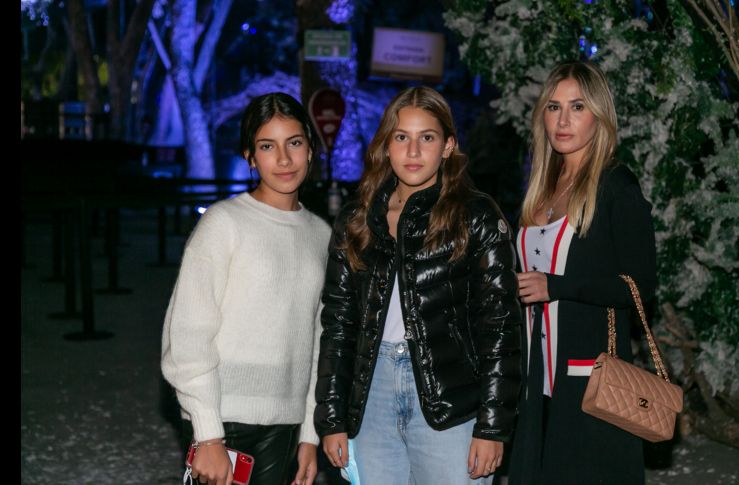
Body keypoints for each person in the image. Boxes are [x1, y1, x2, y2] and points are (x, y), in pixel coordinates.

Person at [314, 86, 522, 484]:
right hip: (371, 394)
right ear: (386, 146)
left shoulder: (475, 216)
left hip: (451, 399)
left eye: (426, 137)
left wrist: (492, 427)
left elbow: (500, 328)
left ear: (447, 147)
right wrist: (333, 416)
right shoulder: (358, 218)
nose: (413, 152)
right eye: (401, 137)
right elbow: (339, 323)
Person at [161, 92, 331, 485]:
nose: (284, 159)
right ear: (251, 158)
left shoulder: (321, 235)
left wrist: (309, 433)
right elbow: (187, 335)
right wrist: (208, 434)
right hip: (224, 420)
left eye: (294, 143)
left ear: (310, 146)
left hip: (286, 426)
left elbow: (319, 343)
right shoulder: (223, 225)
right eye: (267, 146)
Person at [507, 61, 656, 484]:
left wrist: (557, 286)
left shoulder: (616, 186)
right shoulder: (542, 186)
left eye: (577, 107)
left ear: (599, 115)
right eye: (554, 107)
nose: (564, 120)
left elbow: (640, 286)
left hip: (588, 377)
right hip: (537, 378)